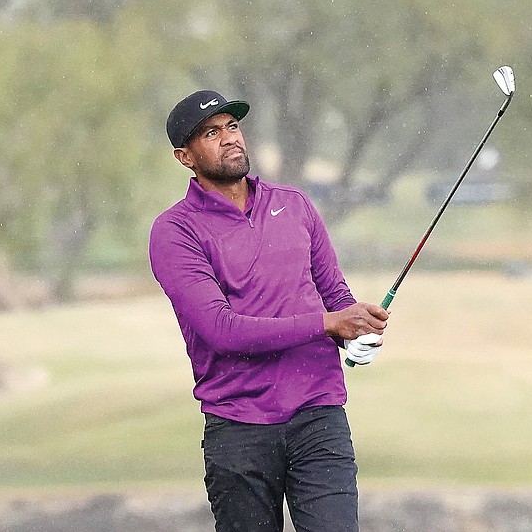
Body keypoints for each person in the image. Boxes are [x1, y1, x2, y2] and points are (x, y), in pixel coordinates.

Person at [149, 90, 389, 532]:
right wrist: (328, 323)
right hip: (239, 426)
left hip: (318, 413)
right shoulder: (174, 231)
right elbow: (222, 330)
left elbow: (333, 293)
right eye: (211, 132)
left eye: (233, 127)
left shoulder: (294, 204)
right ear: (185, 157)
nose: (229, 139)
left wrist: (354, 332)